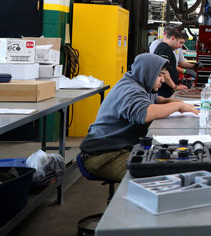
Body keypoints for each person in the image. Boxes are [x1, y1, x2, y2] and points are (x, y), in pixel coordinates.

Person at [80, 54, 198, 182]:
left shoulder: (142, 85)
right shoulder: (130, 89)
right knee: (158, 176)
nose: (163, 80)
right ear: (147, 72)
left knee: (169, 162)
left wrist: (173, 102)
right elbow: (144, 114)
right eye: (159, 75)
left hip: (121, 148)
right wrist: (177, 105)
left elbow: (156, 99)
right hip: (104, 155)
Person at [154, 27, 188, 98]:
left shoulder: (167, 48)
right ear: (172, 38)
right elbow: (163, 71)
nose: (180, 46)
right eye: (180, 42)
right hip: (164, 91)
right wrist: (175, 87)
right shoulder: (165, 48)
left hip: (166, 90)